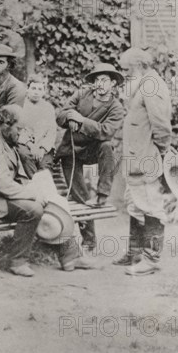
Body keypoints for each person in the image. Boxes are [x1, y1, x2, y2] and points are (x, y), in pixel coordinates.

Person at [0, 105, 92, 277]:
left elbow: (15, 176)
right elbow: (1, 183)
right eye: (18, 128)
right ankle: (18, 262)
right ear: (5, 124)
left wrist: (37, 190)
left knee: (47, 192)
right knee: (32, 209)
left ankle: (70, 256)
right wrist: (33, 194)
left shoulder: (4, 137)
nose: (20, 133)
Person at [113, 48, 172, 276]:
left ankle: (151, 259)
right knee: (135, 204)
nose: (124, 73)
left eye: (127, 69)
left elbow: (161, 126)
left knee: (151, 205)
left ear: (141, 66)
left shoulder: (153, 86)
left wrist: (159, 151)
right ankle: (135, 252)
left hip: (146, 157)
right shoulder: (142, 84)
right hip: (135, 158)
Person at [56, 62, 124, 250]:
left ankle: (102, 194)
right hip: (71, 150)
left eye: (105, 80)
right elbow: (60, 115)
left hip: (93, 150)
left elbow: (106, 131)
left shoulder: (116, 107)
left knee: (107, 147)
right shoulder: (81, 94)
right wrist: (69, 116)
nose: (100, 84)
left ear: (113, 84)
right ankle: (89, 241)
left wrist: (81, 120)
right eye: (97, 80)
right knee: (81, 198)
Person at [18, 73, 57, 178]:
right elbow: (19, 130)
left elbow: (51, 132)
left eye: (40, 89)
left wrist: (42, 148)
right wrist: (31, 146)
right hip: (25, 145)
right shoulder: (20, 106)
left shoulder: (48, 108)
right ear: (28, 89)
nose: (36, 92)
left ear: (44, 91)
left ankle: (42, 187)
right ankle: (34, 185)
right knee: (25, 156)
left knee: (45, 166)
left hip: (44, 147)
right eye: (33, 88)